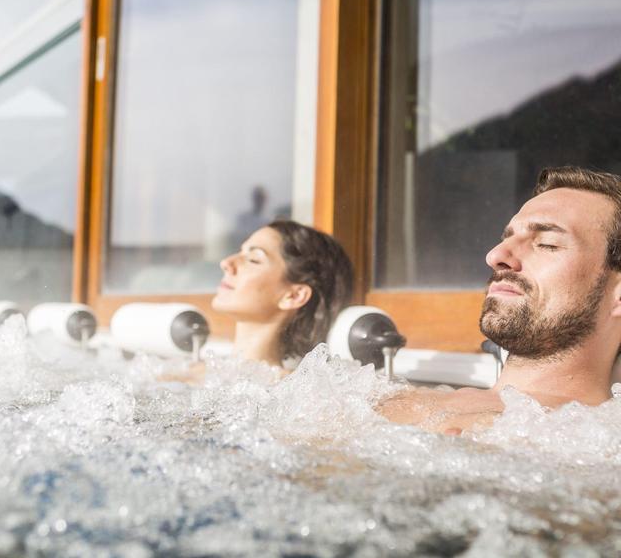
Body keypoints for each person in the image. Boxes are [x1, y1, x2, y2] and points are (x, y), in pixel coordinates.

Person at [378, 166, 621, 434]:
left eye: (547, 243)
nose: (495, 255)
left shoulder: (596, 445)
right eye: (506, 238)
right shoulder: (396, 399)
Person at [161, 220, 354, 383]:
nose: (226, 263)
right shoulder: (187, 375)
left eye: (253, 259)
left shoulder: (297, 394)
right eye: (240, 252)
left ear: (293, 296)